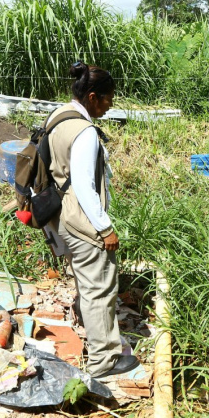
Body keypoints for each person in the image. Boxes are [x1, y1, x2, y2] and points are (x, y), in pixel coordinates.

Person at [45, 61, 139, 377]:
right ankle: (105, 361)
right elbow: (85, 187)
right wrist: (105, 228)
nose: (110, 105)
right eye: (109, 99)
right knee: (100, 287)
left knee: (87, 283)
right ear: (94, 96)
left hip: (60, 213)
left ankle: (97, 337)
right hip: (81, 218)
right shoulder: (85, 132)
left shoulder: (59, 116)